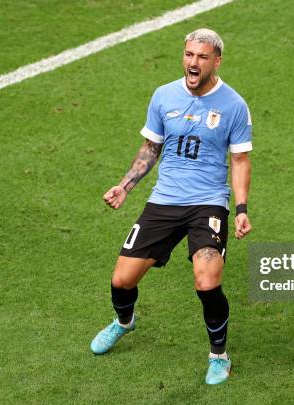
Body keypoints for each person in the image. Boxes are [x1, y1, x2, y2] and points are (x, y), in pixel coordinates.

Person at [90, 28, 252, 385]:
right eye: (189, 55)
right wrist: (125, 185)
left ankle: (218, 356)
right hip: (164, 201)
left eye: (202, 57)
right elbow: (151, 148)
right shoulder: (164, 96)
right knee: (121, 280)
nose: (193, 63)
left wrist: (240, 209)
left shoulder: (233, 105)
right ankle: (124, 322)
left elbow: (240, 160)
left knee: (207, 280)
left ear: (217, 61)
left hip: (207, 203)